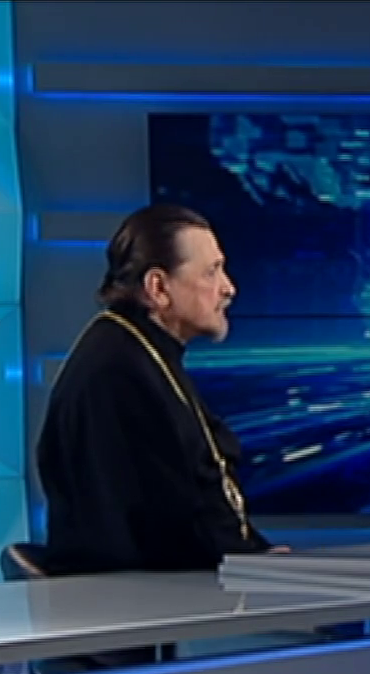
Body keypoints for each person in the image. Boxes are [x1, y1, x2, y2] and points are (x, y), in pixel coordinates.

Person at [37, 203, 286, 574]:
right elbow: (176, 522)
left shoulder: (136, 351)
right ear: (158, 288)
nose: (228, 288)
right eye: (212, 272)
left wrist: (259, 553)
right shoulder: (120, 370)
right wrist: (256, 565)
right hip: (137, 597)